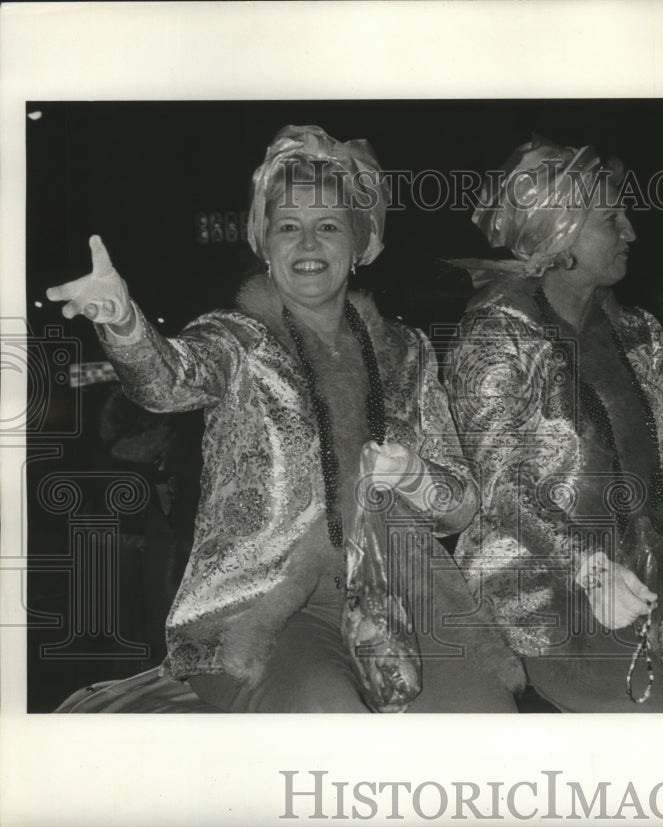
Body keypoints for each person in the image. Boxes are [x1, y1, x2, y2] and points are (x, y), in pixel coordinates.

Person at [47, 124, 522, 712]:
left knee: (485, 715)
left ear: (359, 244)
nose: (307, 243)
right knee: (326, 713)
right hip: (269, 608)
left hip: (402, 593)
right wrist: (122, 320)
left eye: (328, 227)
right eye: (287, 227)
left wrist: (414, 478)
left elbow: (461, 506)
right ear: (265, 246)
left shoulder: (409, 350)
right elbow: (167, 382)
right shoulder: (237, 338)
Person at [445, 137, 663, 712]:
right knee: (654, 719)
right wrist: (587, 565)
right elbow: (503, 488)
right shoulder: (495, 336)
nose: (631, 231)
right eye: (611, 219)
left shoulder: (638, 332)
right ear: (561, 236)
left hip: (654, 565)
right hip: (539, 582)